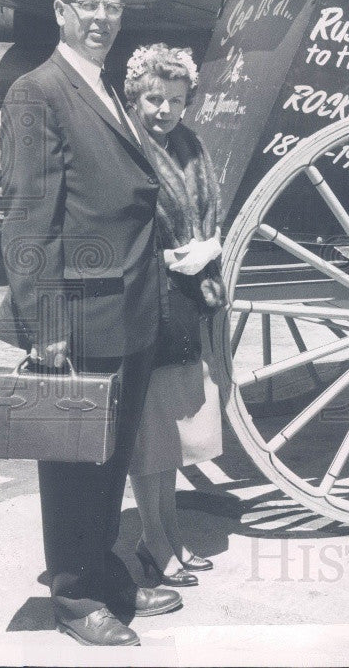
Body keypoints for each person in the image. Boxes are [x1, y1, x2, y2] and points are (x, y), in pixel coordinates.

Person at [0, 0, 180, 646]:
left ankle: (101, 567)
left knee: (108, 460)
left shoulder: (102, 85)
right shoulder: (38, 91)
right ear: (62, 10)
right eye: (89, 7)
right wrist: (46, 325)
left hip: (127, 312)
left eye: (112, 8)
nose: (102, 18)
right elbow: (29, 217)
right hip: (76, 314)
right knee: (73, 463)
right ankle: (73, 597)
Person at [122, 45, 226, 588]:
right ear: (135, 96)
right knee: (151, 437)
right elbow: (118, 226)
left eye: (175, 100)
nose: (164, 109)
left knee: (176, 436)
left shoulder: (190, 145)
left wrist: (210, 246)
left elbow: (212, 209)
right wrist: (164, 256)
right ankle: (154, 541)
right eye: (153, 98)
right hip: (147, 300)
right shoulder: (126, 146)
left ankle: (168, 534)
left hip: (188, 298)